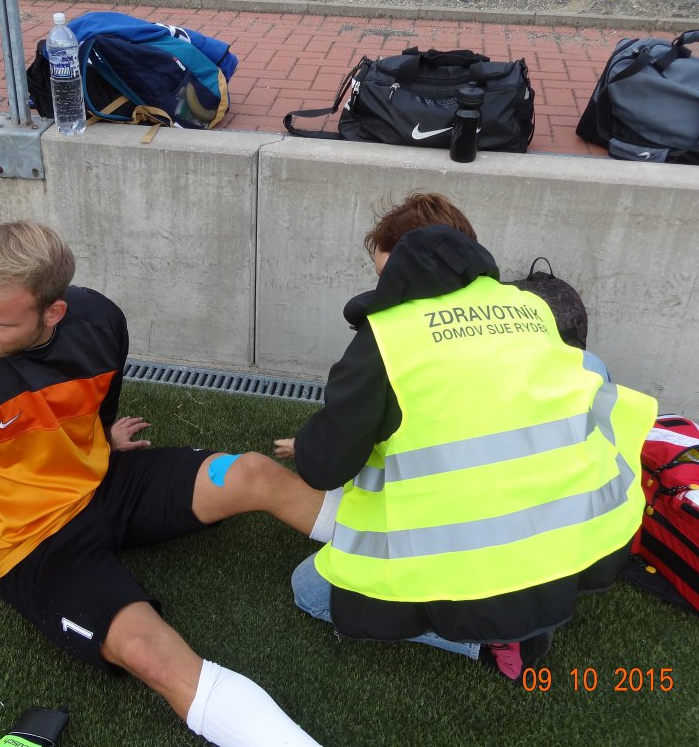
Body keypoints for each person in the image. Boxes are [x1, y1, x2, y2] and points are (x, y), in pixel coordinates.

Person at [0, 221, 325, 747]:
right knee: (150, 653)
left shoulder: (101, 321)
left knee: (252, 472)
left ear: (53, 312)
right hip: (27, 542)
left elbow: (99, 398)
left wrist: (101, 438)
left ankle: (373, 559)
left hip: (103, 484)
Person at [274, 192, 656, 681]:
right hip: (572, 538)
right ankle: (521, 611)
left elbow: (325, 465)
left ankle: (487, 639)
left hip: (463, 555)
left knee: (309, 591)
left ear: (408, 261)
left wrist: (313, 444)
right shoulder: (530, 306)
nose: (384, 287)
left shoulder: (387, 336)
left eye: (386, 272)